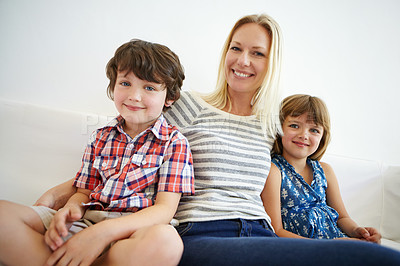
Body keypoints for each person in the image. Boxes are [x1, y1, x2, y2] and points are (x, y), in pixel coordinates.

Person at [24, 14, 400, 265]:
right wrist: (58, 198)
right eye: (236, 48)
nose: (243, 60)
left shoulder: (271, 124)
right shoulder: (190, 106)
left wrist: (346, 228)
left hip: (262, 231)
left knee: (372, 254)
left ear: (272, 62)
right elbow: (121, 146)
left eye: (257, 53)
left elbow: (304, 168)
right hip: (201, 231)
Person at [0, 39, 194, 266]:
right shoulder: (101, 137)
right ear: (113, 86)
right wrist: (71, 209)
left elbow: (164, 210)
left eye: (149, 88)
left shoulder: (174, 142)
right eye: (125, 83)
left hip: (134, 232)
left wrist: (103, 233)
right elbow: (84, 192)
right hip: (87, 221)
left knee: (166, 241)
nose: (134, 95)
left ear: (169, 97)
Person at [262, 94, 381, 242]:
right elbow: (276, 230)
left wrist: (358, 231)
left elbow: (342, 217)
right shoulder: (274, 171)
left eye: (314, 130)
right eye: (294, 125)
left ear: (322, 136)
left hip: (336, 242)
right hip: (305, 248)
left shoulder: (325, 171)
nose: (304, 135)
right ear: (279, 129)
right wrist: (327, 246)